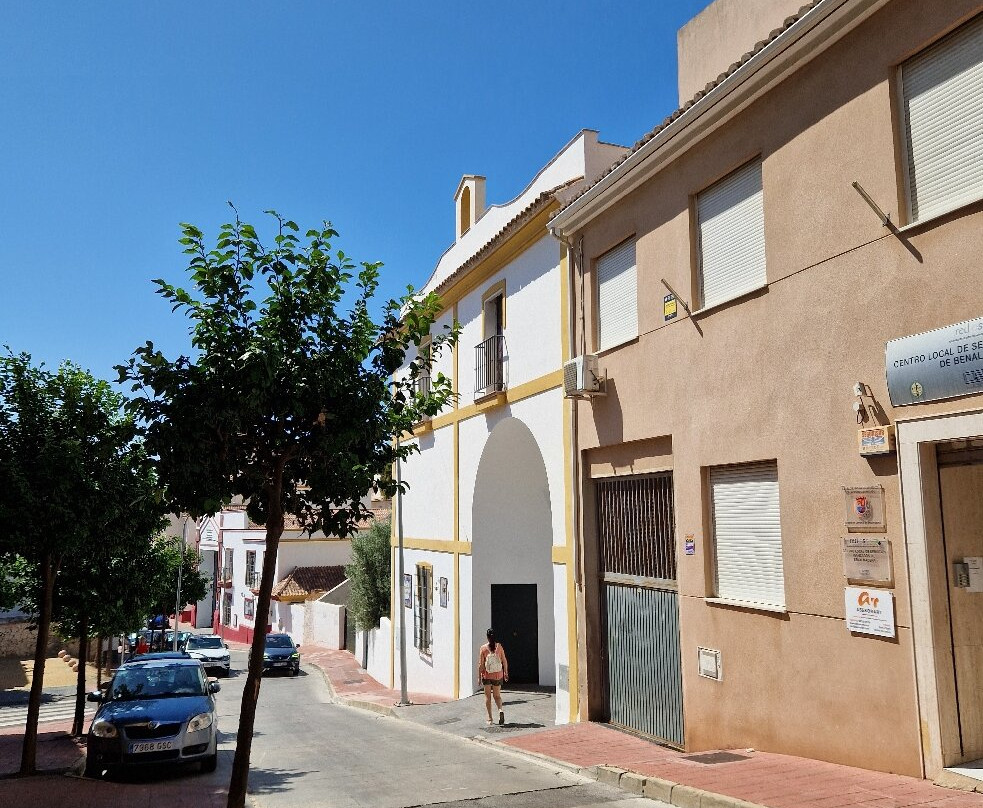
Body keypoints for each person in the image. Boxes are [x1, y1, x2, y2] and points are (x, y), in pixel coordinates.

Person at [478, 628, 508, 726]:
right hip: (498, 675)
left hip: (487, 675)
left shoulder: (483, 648)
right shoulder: (499, 647)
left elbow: (481, 665)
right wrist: (505, 672)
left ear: (487, 637)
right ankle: (500, 710)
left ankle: (490, 718)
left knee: (488, 697)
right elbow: (504, 660)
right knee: (497, 696)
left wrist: (479, 676)